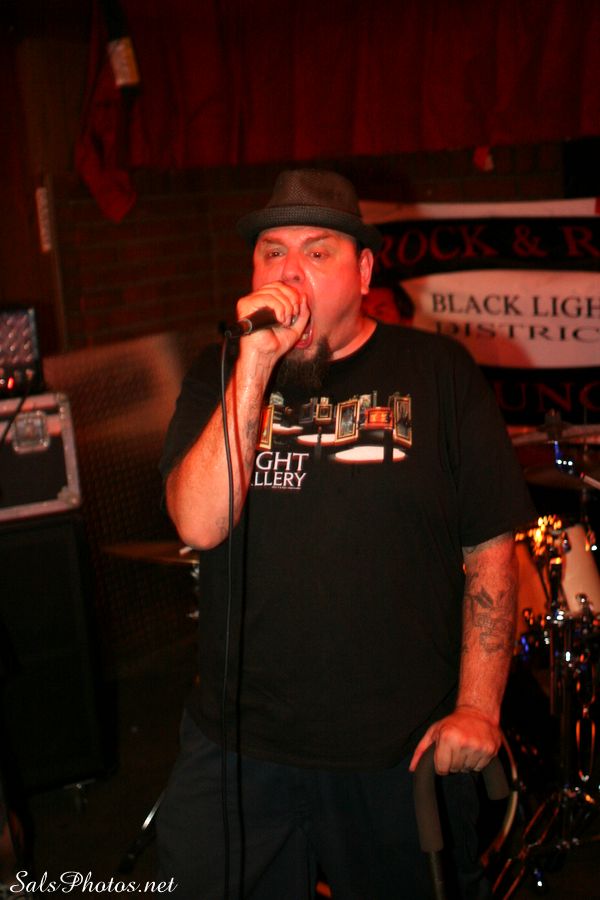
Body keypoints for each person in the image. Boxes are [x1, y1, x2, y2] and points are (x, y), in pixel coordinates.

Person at [156, 169, 535, 899]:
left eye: (317, 252)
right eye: (273, 252)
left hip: (396, 753)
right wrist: (254, 365)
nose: (289, 273)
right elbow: (199, 522)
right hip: (240, 748)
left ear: (363, 273)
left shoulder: (438, 373)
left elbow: (490, 550)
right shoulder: (221, 372)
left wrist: (478, 708)